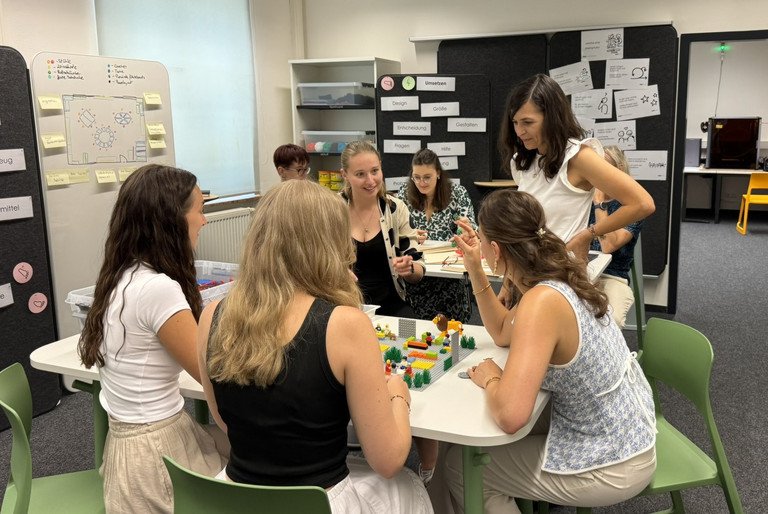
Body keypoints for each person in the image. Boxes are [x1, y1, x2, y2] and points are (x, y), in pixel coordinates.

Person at [197, 180, 433, 513]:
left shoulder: (211, 315)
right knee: (407, 483)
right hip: (321, 502)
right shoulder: (345, 323)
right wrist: (398, 394)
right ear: (328, 244)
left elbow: (224, 420)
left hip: (234, 499)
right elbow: (389, 459)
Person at [443, 189, 656, 514]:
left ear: (497, 250)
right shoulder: (552, 274)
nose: (481, 248)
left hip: (616, 459)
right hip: (625, 428)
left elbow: (511, 416)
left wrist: (491, 379)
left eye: (483, 241)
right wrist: (475, 268)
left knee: (460, 468)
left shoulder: (541, 301)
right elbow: (502, 332)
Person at [78, 164, 227, 514]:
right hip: (154, 456)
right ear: (173, 220)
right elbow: (211, 374)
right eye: (200, 211)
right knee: (261, 459)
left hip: (129, 448)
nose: (204, 221)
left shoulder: (121, 275)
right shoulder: (159, 289)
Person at [498, 73, 655, 262]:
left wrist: (588, 234)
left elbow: (642, 204)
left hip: (562, 274)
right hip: (529, 269)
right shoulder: (521, 162)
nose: (519, 131)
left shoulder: (579, 157)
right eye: (515, 122)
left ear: (552, 118)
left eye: (528, 122)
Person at [340, 140, 425, 318]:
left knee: (409, 339)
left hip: (392, 306)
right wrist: (334, 273)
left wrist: (408, 269)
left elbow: (419, 268)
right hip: (344, 306)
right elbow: (311, 265)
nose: (370, 180)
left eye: (374, 171)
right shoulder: (331, 210)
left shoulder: (395, 208)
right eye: (360, 174)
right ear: (345, 175)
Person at [397, 148, 476, 323]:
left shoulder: (457, 193)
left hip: (449, 275)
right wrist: (409, 234)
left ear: (438, 173)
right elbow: (394, 230)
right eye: (416, 177)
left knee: (451, 330)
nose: (421, 182)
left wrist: (466, 231)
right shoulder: (404, 193)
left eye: (427, 177)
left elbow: (472, 229)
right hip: (417, 275)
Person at [590, 146, 644, 328]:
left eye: (602, 168)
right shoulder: (582, 200)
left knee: (609, 322)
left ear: (618, 170)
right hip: (581, 274)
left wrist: (599, 204)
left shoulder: (631, 205)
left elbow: (608, 245)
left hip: (612, 277)